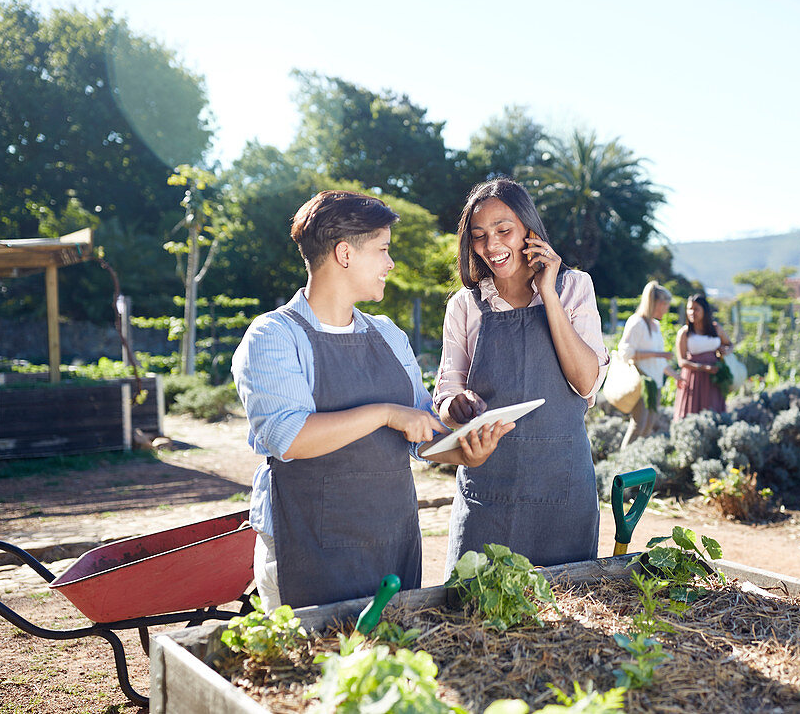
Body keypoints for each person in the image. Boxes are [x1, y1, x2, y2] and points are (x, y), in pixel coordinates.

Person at [232, 190, 512, 610]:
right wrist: (384, 413)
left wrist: (464, 450)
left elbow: (418, 432)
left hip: (391, 540)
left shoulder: (387, 334)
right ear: (344, 253)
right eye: (382, 249)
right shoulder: (274, 336)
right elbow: (289, 438)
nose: (390, 263)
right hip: (308, 548)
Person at [434, 177, 609, 574]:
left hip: (561, 489)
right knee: (475, 614)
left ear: (529, 230)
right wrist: (455, 405)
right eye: (479, 236)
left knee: (566, 615)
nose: (492, 246)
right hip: (487, 491)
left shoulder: (574, 287)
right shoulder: (466, 305)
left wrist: (548, 293)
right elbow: (446, 391)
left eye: (503, 230)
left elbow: (585, 382)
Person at [618, 281, 683, 450]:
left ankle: (636, 465)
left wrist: (675, 375)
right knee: (638, 425)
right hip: (642, 384)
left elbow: (659, 362)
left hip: (656, 385)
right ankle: (621, 464)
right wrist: (659, 354)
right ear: (658, 303)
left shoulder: (656, 325)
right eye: (666, 305)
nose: (666, 309)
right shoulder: (636, 322)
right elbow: (625, 353)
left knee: (647, 427)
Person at [673, 294, 732, 421]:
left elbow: (730, 345)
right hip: (693, 378)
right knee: (692, 411)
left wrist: (724, 350)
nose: (692, 312)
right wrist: (703, 367)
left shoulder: (716, 328)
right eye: (689, 309)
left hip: (714, 377)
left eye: (696, 309)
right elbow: (681, 361)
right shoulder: (684, 333)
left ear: (705, 311)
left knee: (714, 409)